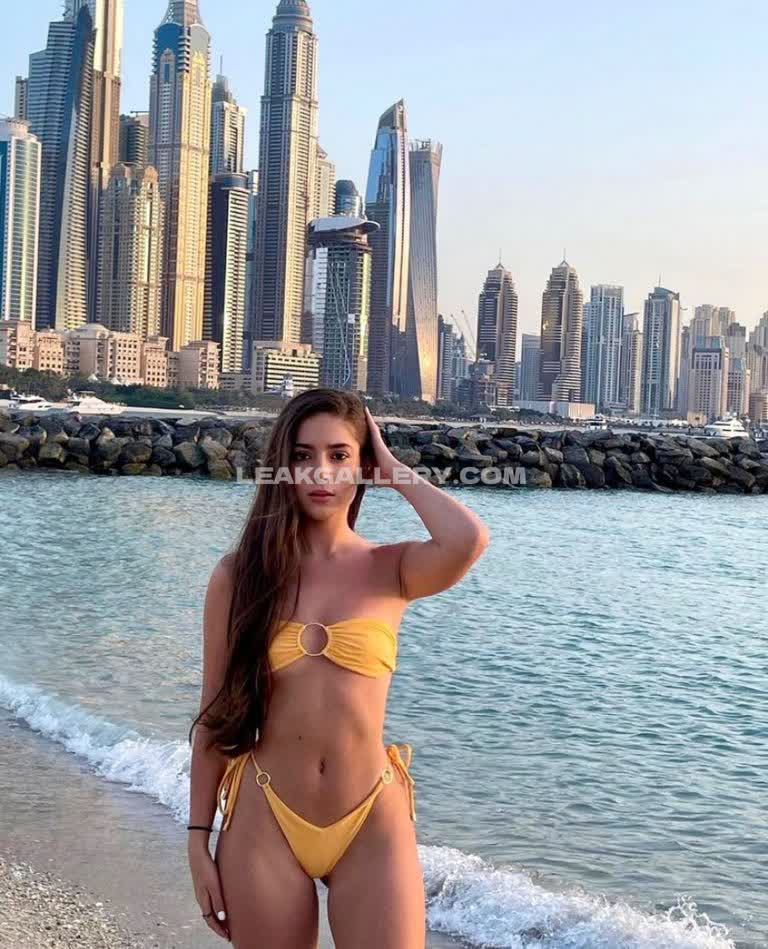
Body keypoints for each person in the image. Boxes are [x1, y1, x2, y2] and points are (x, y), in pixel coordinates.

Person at [186, 389, 490, 948]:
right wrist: (196, 840)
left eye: (339, 455)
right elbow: (214, 714)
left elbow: (468, 540)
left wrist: (394, 471)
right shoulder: (240, 576)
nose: (320, 472)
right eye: (302, 456)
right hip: (265, 814)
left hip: (371, 815)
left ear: (362, 465)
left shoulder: (391, 569)